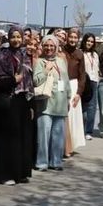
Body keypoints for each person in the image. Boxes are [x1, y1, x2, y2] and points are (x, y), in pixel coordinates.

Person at [0, 25, 32, 185]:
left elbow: (29, 80)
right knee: (7, 138)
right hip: (8, 99)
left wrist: (30, 103)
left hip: (22, 99)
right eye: (13, 37)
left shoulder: (25, 55)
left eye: (18, 37)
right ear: (8, 38)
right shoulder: (3, 56)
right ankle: (4, 174)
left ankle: (19, 172)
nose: (16, 40)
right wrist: (13, 80)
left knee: (21, 137)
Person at [32, 36, 70, 170]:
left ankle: (56, 161)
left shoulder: (61, 61)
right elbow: (35, 81)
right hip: (45, 104)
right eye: (46, 45)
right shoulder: (40, 62)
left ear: (56, 47)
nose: (49, 48)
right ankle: (42, 162)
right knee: (43, 135)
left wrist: (69, 97)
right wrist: (46, 70)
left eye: (52, 46)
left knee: (58, 135)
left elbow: (66, 81)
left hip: (60, 103)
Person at [62, 30, 87, 150]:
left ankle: (71, 145)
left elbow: (82, 75)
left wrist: (79, 93)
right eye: (70, 37)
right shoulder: (61, 51)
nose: (72, 40)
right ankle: (63, 145)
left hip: (73, 85)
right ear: (67, 38)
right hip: (61, 83)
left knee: (73, 116)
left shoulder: (79, 54)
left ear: (78, 39)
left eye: (75, 37)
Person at [80, 33, 100, 140]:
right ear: (84, 41)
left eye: (92, 42)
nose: (90, 43)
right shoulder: (80, 53)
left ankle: (89, 131)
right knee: (83, 106)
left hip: (94, 81)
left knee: (92, 107)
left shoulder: (95, 54)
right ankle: (81, 129)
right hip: (84, 81)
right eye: (88, 41)